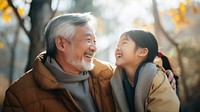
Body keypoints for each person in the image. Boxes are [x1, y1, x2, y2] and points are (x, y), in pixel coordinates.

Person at [2, 13, 176, 112]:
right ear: (62, 43)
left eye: (95, 40)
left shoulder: (108, 74)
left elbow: (139, 66)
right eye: (88, 40)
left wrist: (161, 72)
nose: (94, 48)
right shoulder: (18, 96)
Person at [110, 30, 180, 112]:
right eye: (118, 45)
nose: (117, 48)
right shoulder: (116, 80)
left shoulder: (157, 79)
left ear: (142, 52)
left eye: (124, 43)